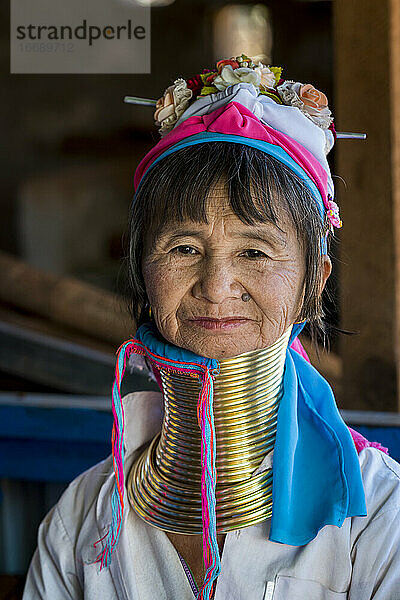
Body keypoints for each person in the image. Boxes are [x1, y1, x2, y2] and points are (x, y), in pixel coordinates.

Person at [23, 53, 400, 600]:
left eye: (254, 251)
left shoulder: (379, 518)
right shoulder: (85, 518)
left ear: (313, 280)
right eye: (183, 247)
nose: (217, 285)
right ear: (141, 270)